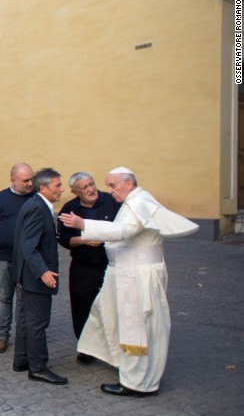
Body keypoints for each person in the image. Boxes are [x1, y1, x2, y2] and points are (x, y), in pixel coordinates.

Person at [60, 168, 197, 397]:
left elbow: (124, 231)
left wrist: (83, 223)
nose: (108, 191)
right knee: (106, 314)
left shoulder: (138, 202)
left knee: (138, 328)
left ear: (129, 184)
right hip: (127, 273)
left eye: (113, 186)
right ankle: (129, 369)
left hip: (136, 277)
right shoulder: (133, 200)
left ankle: (137, 383)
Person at [56, 172, 121, 364]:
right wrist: (82, 240)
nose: (91, 189)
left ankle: (113, 348)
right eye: (84, 188)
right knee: (82, 307)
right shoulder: (69, 209)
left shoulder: (112, 201)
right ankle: (86, 348)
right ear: (75, 192)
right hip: (83, 266)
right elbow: (63, 238)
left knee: (112, 306)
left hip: (111, 264)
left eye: (91, 184)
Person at [12, 167, 67, 385]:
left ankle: (22, 359)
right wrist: (43, 271)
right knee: (38, 321)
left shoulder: (37, 205)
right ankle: (38, 367)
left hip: (29, 275)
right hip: (35, 275)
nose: (62, 190)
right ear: (43, 188)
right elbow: (28, 245)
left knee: (27, 319)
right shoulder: (37, 207)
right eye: (58, 186)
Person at [0, 163, 35, 353]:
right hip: (3, 258)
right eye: (25, 180)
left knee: (24, 299)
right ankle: (2, 336)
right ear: (12, 180)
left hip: (28, 260)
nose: (30, 183)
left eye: (31, 179)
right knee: (3, 298)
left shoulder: (36, 199)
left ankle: (23, 336)